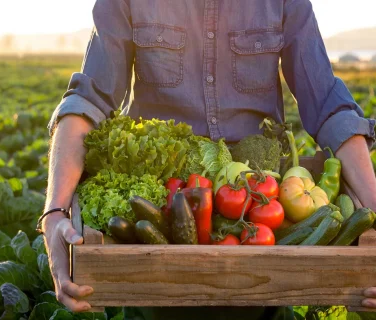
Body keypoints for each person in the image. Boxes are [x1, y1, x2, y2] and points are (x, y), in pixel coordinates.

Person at [41, 0, 376, 319]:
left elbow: (330, 106)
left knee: (263, 304)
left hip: (261, 207)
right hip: (162, 211)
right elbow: (88, 100)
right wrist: (55, 211)